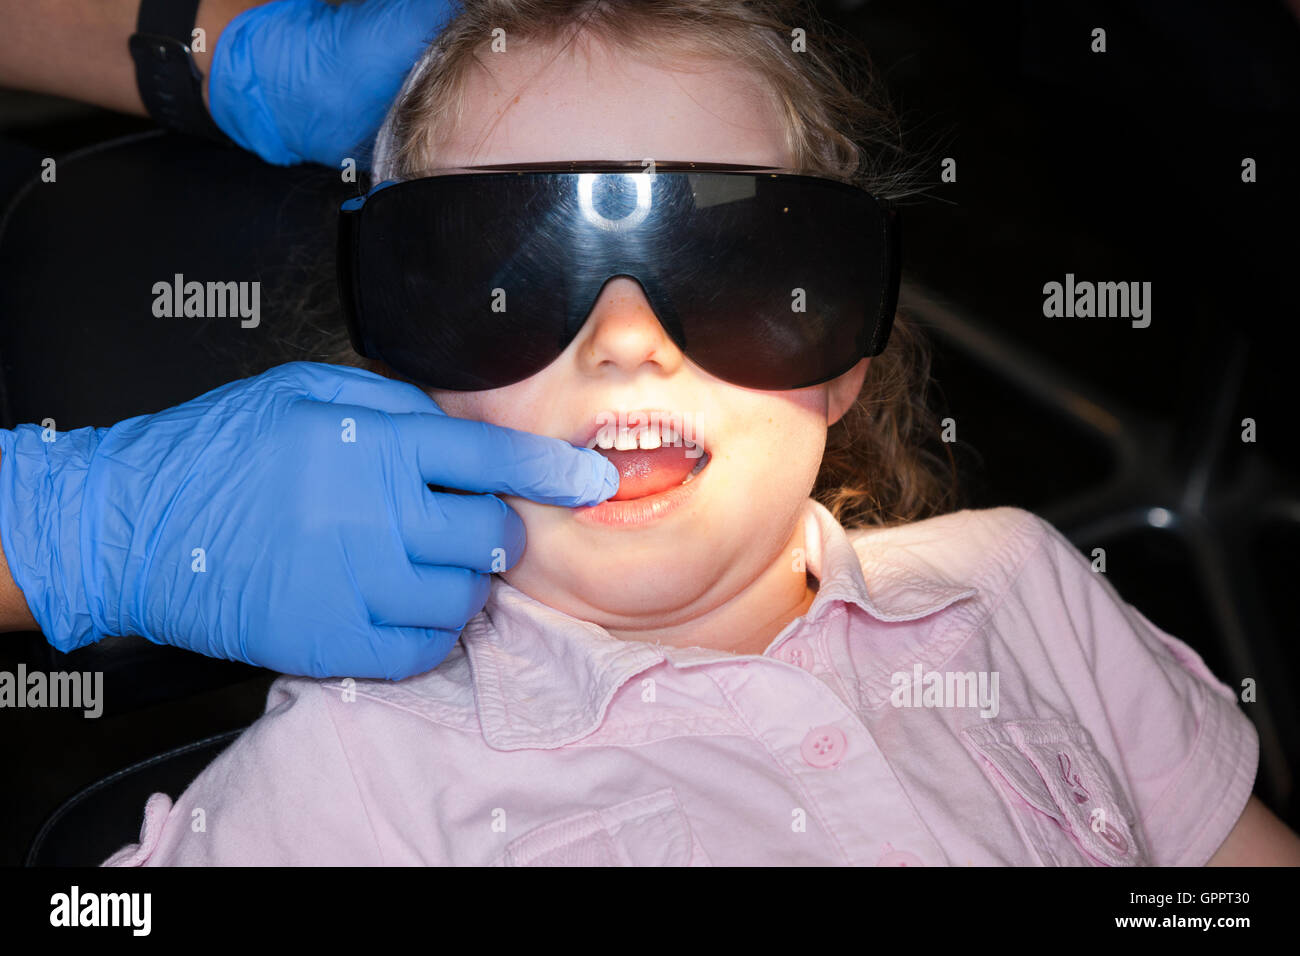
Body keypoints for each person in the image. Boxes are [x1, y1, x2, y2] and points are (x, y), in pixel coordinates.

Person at [101, 0, 1300, 866]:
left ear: (843, 356)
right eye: (508, 276)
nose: (626, 338)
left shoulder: (1025, 590)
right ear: (402, 377)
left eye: (727, 264)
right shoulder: (346, 780)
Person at [0, 0, 621, 679]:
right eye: (533, 278)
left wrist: (215, 52)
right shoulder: (328, 767)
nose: (624, 335)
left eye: (718, 260)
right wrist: (76, 532)